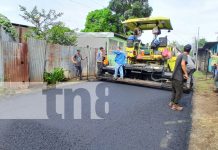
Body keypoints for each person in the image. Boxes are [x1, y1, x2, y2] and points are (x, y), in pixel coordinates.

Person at [169, 44, 192, 111]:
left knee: (174, 91)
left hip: (174, 76)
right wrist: (186, 74)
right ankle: (175, 106)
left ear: (184, 49)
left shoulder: (179, 55)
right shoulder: (185, 55)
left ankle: (171, 103)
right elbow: (182, 64)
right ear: (189, 51)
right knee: (179, 92)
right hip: (178, 77)